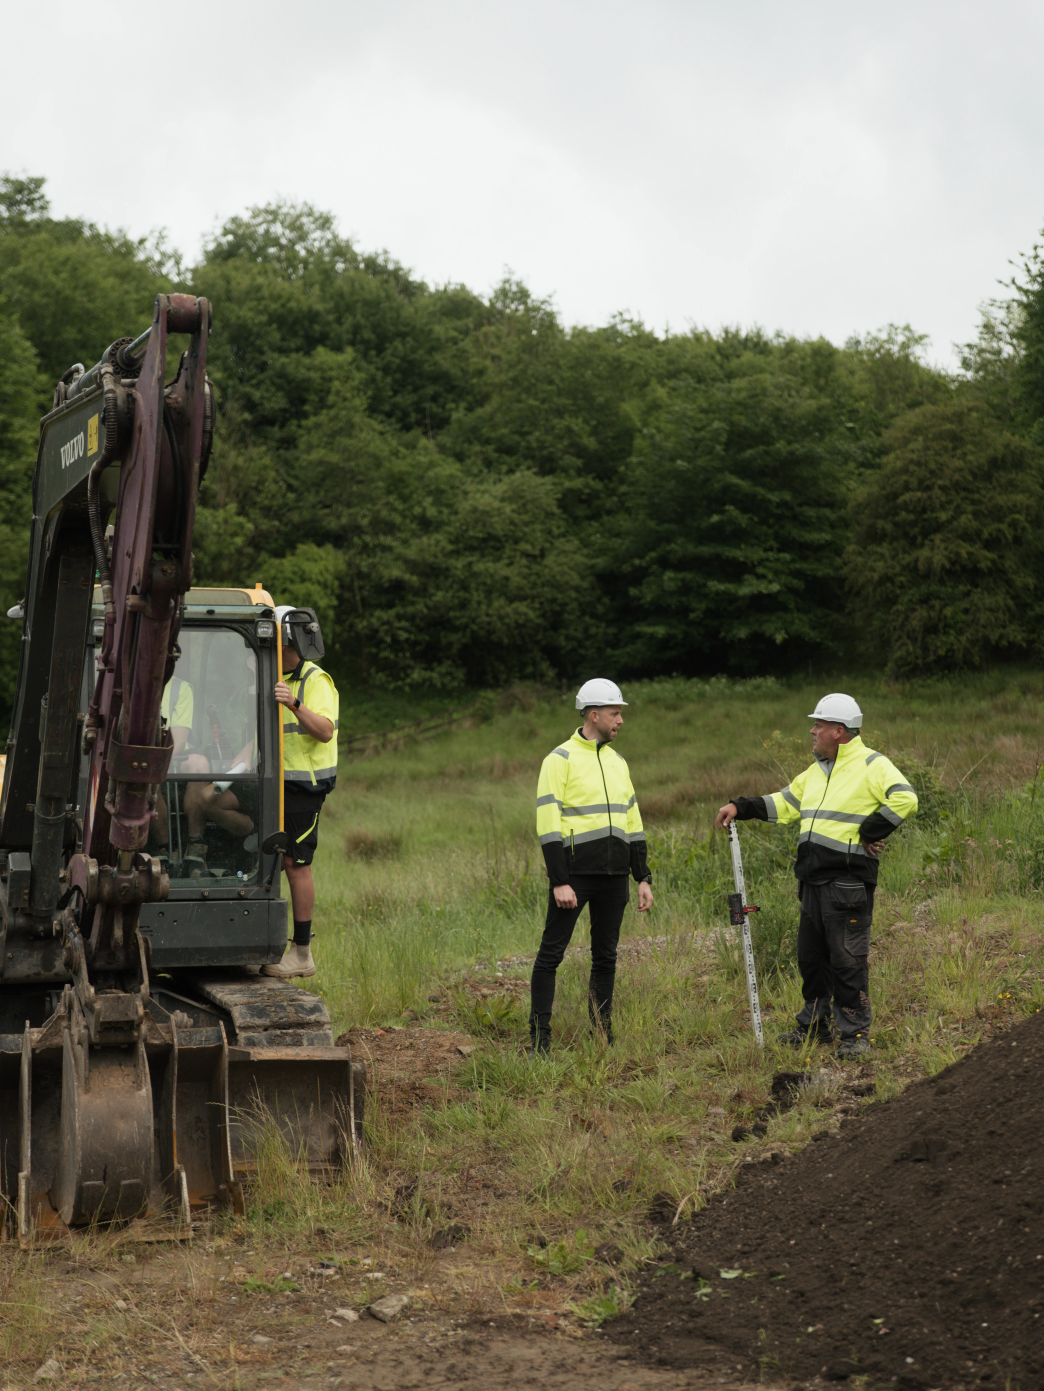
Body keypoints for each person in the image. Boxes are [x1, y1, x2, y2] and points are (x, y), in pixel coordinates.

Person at [715, 693, 918, 1060]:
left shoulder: (873, 764)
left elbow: (905, 798)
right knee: (811, 958)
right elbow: (784, 804)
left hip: (847, 884)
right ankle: (815, 1025)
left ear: (839, 731)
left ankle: (855, 1034)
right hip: (811, 881)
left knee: (846, 959)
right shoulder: (815, 771)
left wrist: (871, 831)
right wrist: (740, 806)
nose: (812, 730)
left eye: (819, 725)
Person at [530, 678, 653, 1055]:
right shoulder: (559, 759)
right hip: (575, 879)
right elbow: (548, 822)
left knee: (606, 957)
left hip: (615, 877)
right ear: (594, 715)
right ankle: (539, 1042)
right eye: (616, 713)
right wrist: (559, 880)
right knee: (551, 956)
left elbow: (633, 821)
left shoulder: (618, 762)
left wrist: (642, 876)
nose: (620, 720)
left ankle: (602, 1035)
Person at [262, 605, 339, 980]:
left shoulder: (314, 680)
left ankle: (302, 953)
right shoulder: (271, 675)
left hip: (302, 787)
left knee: (296, 864)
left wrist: (293, 704)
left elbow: (325, 730)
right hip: (272, 783)